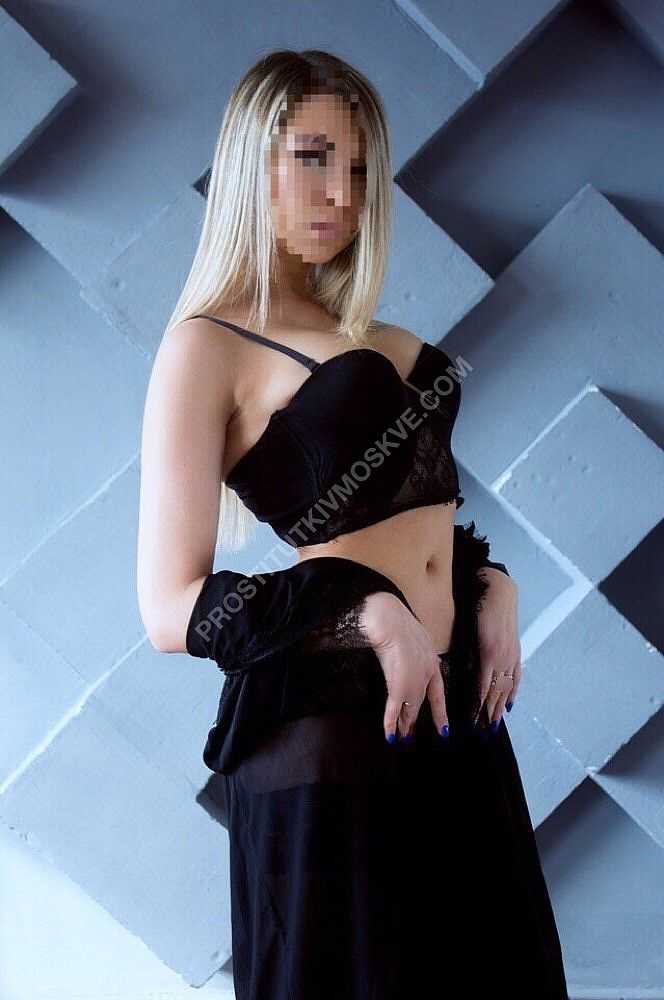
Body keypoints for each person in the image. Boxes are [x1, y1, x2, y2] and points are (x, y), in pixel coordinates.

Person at [137, 48, 569, 1000]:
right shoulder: (206, 346)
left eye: (362, 167)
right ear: (252, 164)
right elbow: (169, 608)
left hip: (454, 709)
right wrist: (362, 609)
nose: (343, 193)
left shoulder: (377, 335)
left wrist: (489, 581)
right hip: (329, 723)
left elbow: (404, 526)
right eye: (313, 158)